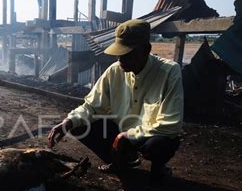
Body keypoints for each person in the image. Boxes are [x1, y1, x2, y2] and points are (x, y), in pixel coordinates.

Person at [48, 19, 183, 182]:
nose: (121, 60)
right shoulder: (114, 71)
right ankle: (121, 161)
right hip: (120, 130)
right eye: (119, 54)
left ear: (146, 50)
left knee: (158, 145)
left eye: (128, 54)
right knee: (79, 124)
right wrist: (69, 121)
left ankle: (158, 167)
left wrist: (128, 136)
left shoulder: (169, 71)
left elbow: (170, 124)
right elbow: (91, 106)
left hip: (149, 136)